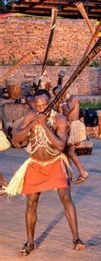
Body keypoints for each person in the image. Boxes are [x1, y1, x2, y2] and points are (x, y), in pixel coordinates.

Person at [6, 89, 86, 255]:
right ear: (34, 105)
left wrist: (43, 125)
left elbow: (60, 146)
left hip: (55, 163)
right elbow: (16, 138)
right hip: (35, 164)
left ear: (52, 103)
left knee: (66, 199)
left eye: (45, 104)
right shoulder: (30, 115)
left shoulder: (59, 118)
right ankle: (30, 242)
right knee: (31, 204)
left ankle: (76, 237)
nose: (41, 107)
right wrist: (31, 125)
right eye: (38, 105)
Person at [52, 85, 88, 184]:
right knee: (66, 152)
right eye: (55, 95)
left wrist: (63, 100)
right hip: (68, 127)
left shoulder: (73, 98)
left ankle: (83, 172)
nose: (57, 96)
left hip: (74, 127)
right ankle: (68, 175)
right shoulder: (63, 100)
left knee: (71, 152)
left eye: (58, 93)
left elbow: (67, 112)